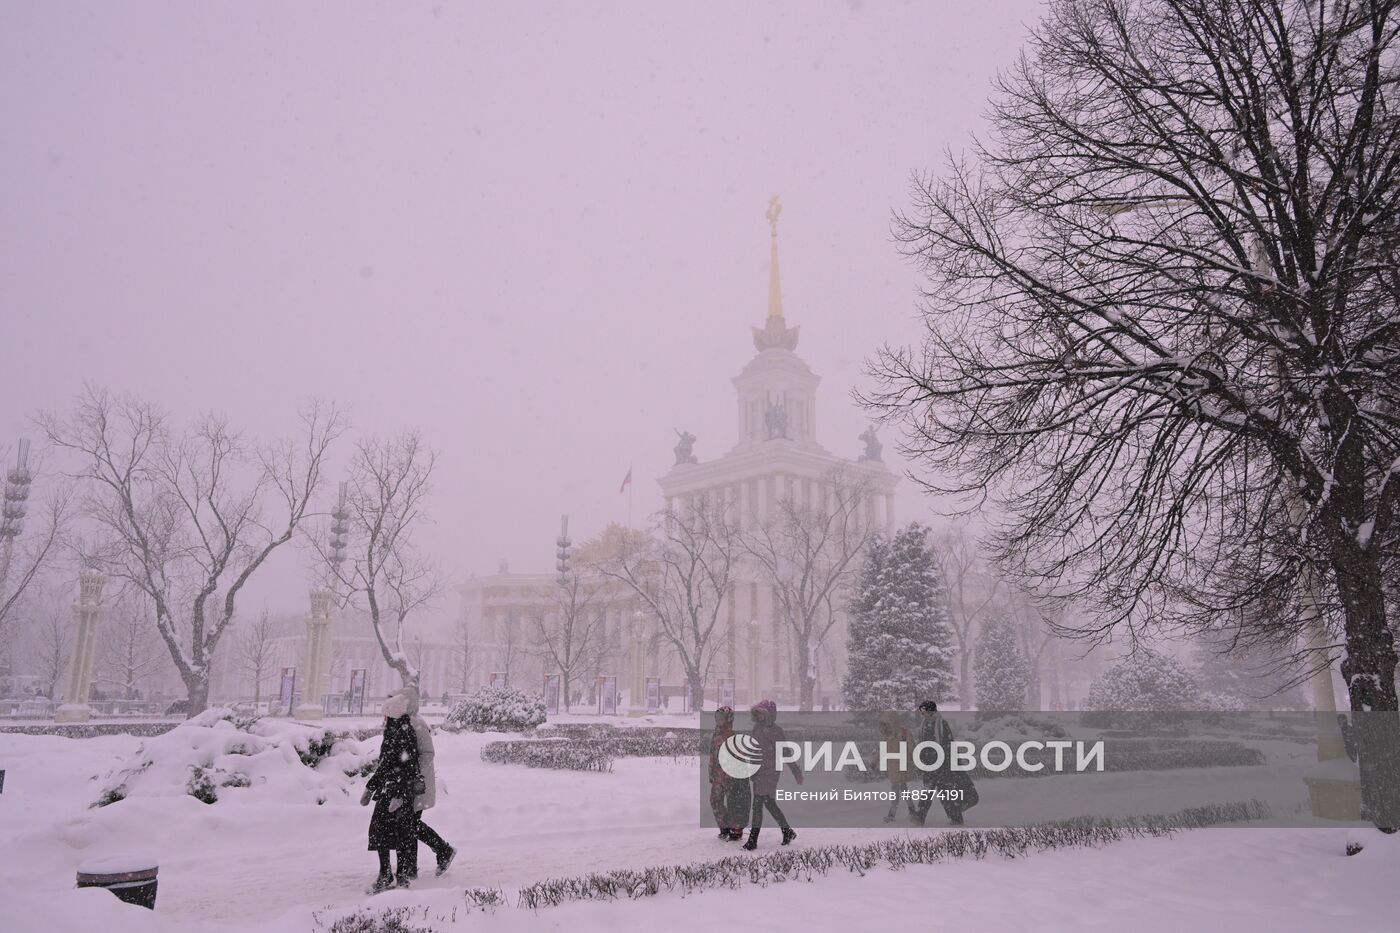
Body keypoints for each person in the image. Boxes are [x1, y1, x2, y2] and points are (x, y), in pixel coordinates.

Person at [391, 686, 457, 876]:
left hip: (417, 785)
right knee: (410, 825)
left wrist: (411, 772)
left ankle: (439, 852)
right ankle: (437, 853)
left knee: (409, 825)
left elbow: (428, 753)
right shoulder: (407, 721)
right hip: (410, 783)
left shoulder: (416, 723)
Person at [361, 692, 422, 892]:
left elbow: (407, 766)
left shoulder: (404, 732)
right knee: (383, 831)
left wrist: (399, 795)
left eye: (386, 714)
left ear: (393, 714)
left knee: (399, 833)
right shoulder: (394, 730)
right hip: (390, 788)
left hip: (399, 791)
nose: (383, 718)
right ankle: (387, 874)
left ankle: (399, 877)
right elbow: (386, 763)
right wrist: (371, 786)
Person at [743, 699, 802, 850]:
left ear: (770, 715)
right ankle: (787, 831)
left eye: (763, 714)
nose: (760, 717)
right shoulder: (756, 729)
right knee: (769, 803)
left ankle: (753, 840)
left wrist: (796, 772)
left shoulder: (776, 731)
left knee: (757, 805)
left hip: (770, 772)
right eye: (758, 714)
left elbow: (785, 752)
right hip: (758, 772)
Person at [912, 699, 978, 826]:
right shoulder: (924, 724)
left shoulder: (941, 724)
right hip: (929, 763)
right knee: (928, 790)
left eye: (924, 710)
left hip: (942, 765)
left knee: (944, 792)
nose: (922, 713)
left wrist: (951, 762)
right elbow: (922, 744)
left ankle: (955, 817)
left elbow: (949, 743)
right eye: (921, 711)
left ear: (930, 710)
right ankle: (920, 816)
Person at [709, 706, 751, 841]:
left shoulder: (732, 737)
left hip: (731, 778)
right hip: (718, 777)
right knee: (715, 801)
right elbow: (712, 756)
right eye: (717, 718)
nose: (718, 721)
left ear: (728, 719)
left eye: (721, 718)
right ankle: (724, 827)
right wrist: (711, 772)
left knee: (735, 804)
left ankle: (736, 829)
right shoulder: (716, 735)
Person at [877, 710, 917, 824]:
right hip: (894, 767)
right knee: (903, 788)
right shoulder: (888, 735)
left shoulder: (904, 733)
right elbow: (882, 751)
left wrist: (917, 761)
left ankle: (891, 814)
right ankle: (912, 810)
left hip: (903, 766)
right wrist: (874, 761)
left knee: (895, 789)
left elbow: (912, 748)